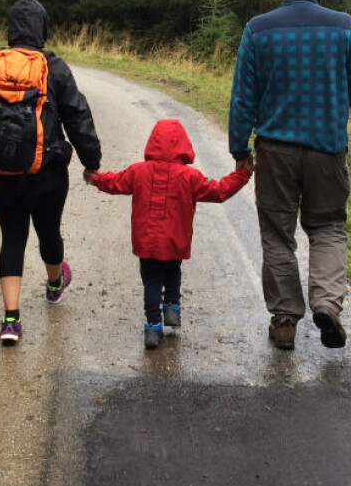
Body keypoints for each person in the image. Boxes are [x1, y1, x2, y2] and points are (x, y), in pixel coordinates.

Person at [228, 0, 351, 351]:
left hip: (276, 152)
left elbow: (243, 99)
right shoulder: (345, 28)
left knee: (278, 235)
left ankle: (284, 322)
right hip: (327, 151)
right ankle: (327, 304)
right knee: (328, 227)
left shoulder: (258, 31)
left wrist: (239, 147)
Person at [0, 0, 102, 345]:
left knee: (12, 237)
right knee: (48, 231)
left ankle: (11, 320)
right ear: (42, 29)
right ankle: (55, 283)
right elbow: (77, 117)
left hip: (2, 175)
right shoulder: (53, 68)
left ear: (11, 29)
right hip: (48, 173)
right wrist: (91, 162)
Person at [87, 119, 251, 348]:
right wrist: (241, 176)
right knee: (173, 270)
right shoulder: (190, 177)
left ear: (152, 143)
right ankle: (172, 307)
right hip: (175, 239)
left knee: (151, 281)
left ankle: (153, 327)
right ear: (183, 145)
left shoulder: (138, 171)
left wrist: (96, 179)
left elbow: (116, 182)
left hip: (147, 241)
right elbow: (219, 191)